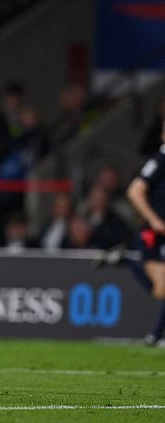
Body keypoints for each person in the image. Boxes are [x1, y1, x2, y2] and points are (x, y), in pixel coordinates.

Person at [96, 119, 165, 345]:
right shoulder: (160, 160)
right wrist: (154, 220)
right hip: (155, 235)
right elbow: (135, 191)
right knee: (161, 291)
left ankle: (155, 336)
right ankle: (127, 261)